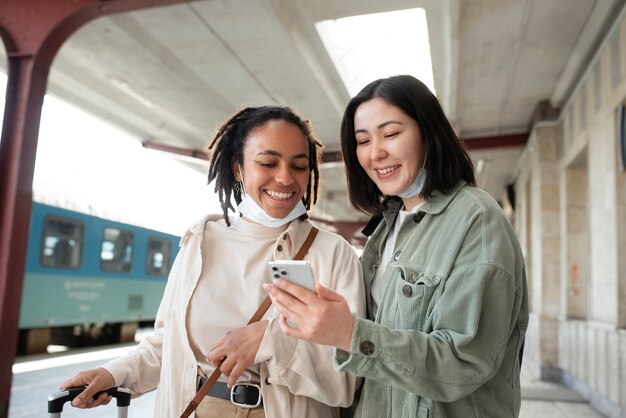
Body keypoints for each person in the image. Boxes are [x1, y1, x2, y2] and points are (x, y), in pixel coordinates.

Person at [60, 106, 365, 418]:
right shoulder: (199, 243)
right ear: (237, 168)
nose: (285, 177)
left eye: (299, 166)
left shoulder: (333, 253)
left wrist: (269, 340)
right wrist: (113, 374)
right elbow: (170, 345)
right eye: (268, 162)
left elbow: (347, 380)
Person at [265, 75, 529, 418]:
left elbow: (464, 363)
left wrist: (350, 333)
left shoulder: (476, 220)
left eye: (391, 134)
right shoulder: (386, 228)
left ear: (428, 133)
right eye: (362, 141)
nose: (376, 153)